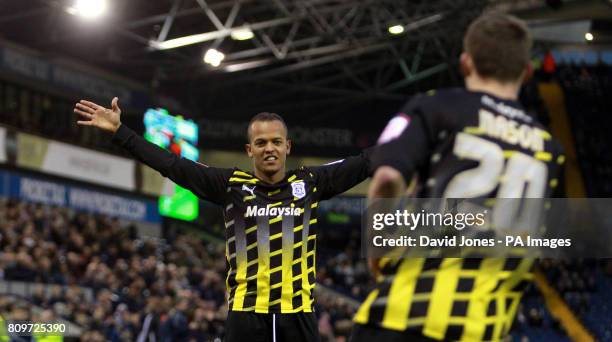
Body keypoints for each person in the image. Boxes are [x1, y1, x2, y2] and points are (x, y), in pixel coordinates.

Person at [74, 100, 372, 342]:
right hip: (246, 315)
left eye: (276, 142)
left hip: (299, 314)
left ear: (287, 147)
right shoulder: (230, 185)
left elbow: (364, 163)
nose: (269, 148)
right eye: (261, 142)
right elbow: (173, 165)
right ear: (249, 149)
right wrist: (121, 133)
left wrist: (415, 139)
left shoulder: (310, 183)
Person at [351, 13, 564, 341]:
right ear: (526, 72)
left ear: (466, 63)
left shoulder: (437, 106)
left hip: (403, 317)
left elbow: (387, 178)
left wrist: (377, 250)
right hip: (481, 329)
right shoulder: (550, 149)